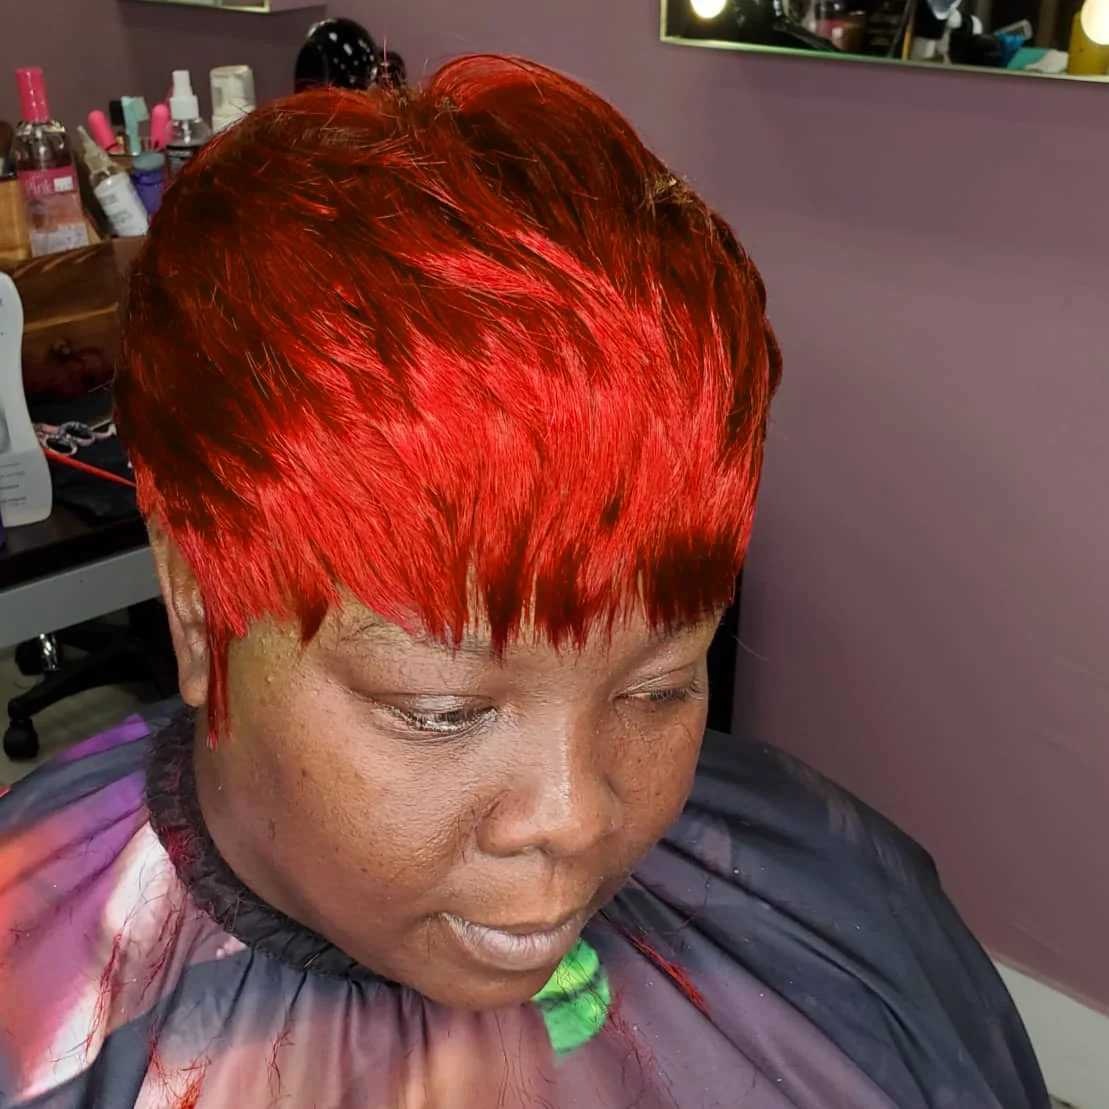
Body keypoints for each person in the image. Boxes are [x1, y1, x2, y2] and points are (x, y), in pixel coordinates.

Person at [0, 55, 1049, 1109]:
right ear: (196, 608)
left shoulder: (842, 903)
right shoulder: (32, 997)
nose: (575, 817)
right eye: (441, 711)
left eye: (659, 686)